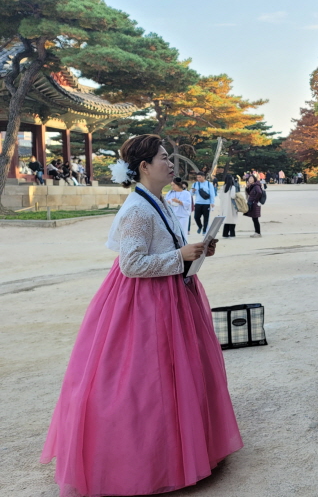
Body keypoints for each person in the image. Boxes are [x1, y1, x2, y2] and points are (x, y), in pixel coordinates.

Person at [40, 135, 242, 497]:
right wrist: (180, 256)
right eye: (164, 158)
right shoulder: (137, 209)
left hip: (170, 295)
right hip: (146, 303)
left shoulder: (157, 201)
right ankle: (148, 460)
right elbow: (131, 264)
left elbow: (167, 247)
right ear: (145, 166)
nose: (171, 163)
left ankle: (185, 448)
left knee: (176, 376)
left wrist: (195, 251)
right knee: (148, 381)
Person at [219, 174, 239, 238]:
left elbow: (220, 197)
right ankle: (232, 234)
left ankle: (225, 234)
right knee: (232, 220)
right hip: (231, 206)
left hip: (224, 206)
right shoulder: (232, 187)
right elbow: (233, 196)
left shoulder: (222, 187)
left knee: (226, 220)